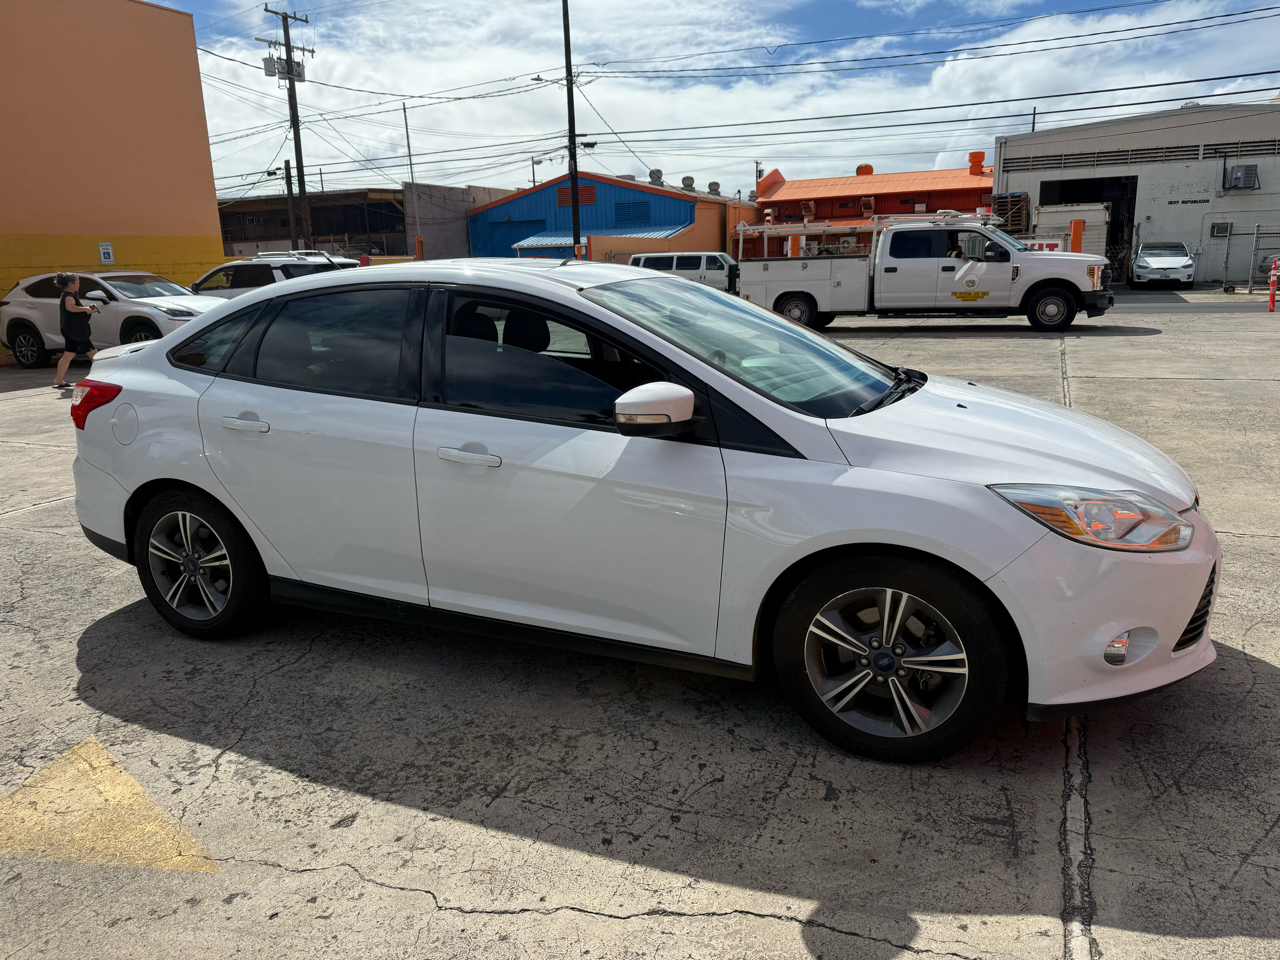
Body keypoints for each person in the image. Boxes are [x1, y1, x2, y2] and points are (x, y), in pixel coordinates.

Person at [53, 273, 97, 388]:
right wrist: (86, 309)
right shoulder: (68, 296)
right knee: (94, 355)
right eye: (77, 283)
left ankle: (58, 379)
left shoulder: (68, 295)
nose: (79, 285)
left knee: (68, 355)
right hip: (76, 332)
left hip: (72, 331)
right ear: (70, 284)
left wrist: (87, 309)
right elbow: (70, 307)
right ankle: (100, 378)